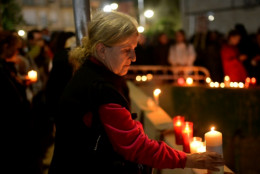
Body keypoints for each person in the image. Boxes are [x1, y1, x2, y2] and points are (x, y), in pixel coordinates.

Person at [48, 11, 223, 174]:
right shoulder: (100, 90)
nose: (134, 57)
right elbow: (137, 147)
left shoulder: (88, 73)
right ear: (101, 49)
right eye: (126, 50)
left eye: (134, 48)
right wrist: (188, 159)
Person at [0, 30, 40, 174]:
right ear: (5, 47)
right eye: (15, 48)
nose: (17, 52)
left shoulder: (6, 67)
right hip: (11, 128)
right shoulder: (3, 68)